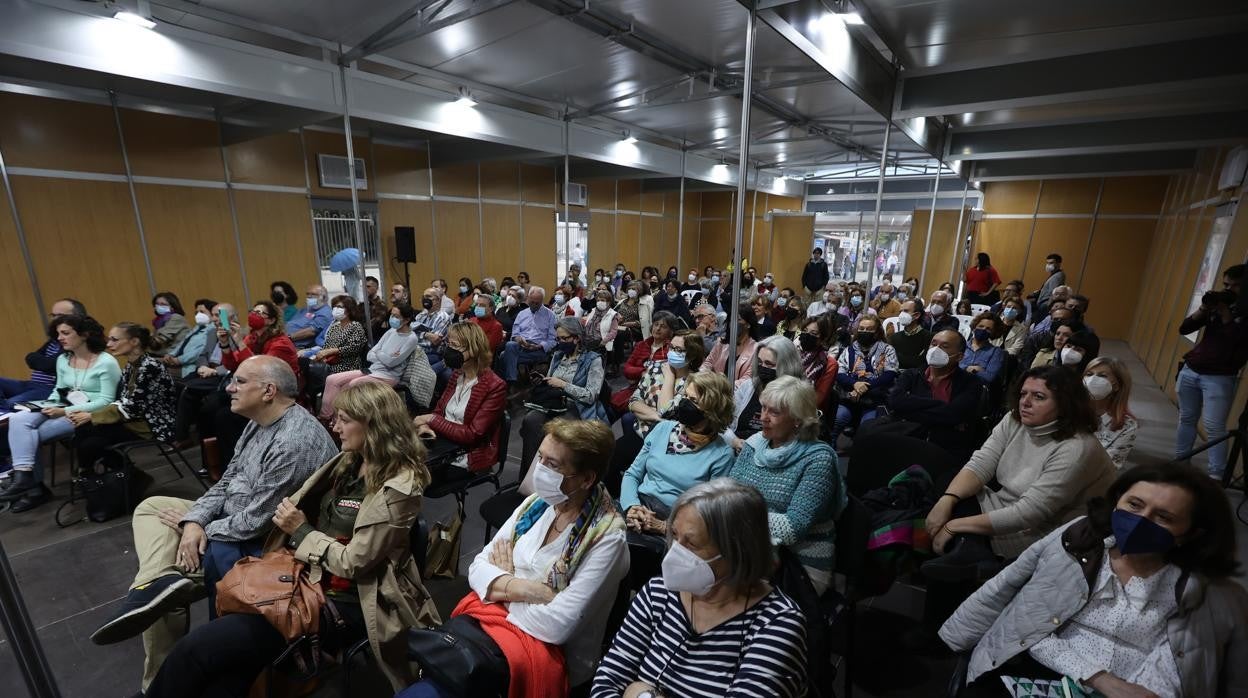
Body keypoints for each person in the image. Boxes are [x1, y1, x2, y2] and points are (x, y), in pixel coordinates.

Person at [145, 381, 437, 697]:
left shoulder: (400, 488)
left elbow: (355, 563)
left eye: (343, 419)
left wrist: (301, 530)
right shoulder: (350, 460)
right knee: (221, 670)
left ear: (375, 424)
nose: (334, 426)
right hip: (304, 576)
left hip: (348, 598)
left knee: (197, 650)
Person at [88, 356, 337, 692]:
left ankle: (158, 674)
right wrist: (194, 520)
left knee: (169, 576)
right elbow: (227, 480)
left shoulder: (292, 442)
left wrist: (202, 526)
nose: (229, 388)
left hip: (261, 543)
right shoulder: (260, 422)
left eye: (239, 381)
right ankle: (155, 583)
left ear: (268, 391)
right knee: (151, 507)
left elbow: (256, 523)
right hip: (229, 518)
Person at [940, 462, 1247, 698]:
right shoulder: (1078, 539)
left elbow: (1176, 671)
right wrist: (1100, 679)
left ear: (1191, 534)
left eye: (1163, 517)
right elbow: (1020, 603)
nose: (1141, 521)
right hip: (1036, 666)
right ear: (1116, 502)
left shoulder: (1204, 593)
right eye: (1134, 505)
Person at [400, 419, 629, 698]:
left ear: (586, 479)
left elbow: (557, 627)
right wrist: (526, 589)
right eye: (540, 457)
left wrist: (499, 587)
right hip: (492, 636)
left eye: (553, 465)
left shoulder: (606, 539)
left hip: (551, 656)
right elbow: (477, 568)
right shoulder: (538, 504)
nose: (540, 469)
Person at [592, 478, 808, 698]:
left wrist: (641, 693)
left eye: (692, 544)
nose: (676, 551)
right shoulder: (658, 593)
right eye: (674, 536)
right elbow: (606, 682)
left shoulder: (777, 623)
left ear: (737, 553)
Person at [922, 366, 1117, 582]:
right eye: (1023, 394)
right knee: (949, 482)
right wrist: (946, 501)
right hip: (1008, 505)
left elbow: (1030, 513)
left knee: (951, 523)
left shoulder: (1078, 448)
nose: (1025, 402)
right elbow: (980, 464)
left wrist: (953, 525)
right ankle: (969, 550)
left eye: (1039, 397)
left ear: (1065, 404)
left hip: (1044, 532)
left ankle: (967, 550)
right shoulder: (1015, 419)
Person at [730, 376, 845, 593]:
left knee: (722, 585)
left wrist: (737, 515)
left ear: (798, 420)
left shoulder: (818, 459)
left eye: (774, 412)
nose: (763, 417)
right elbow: (729, 495)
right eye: (763, 408)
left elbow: (792, 528)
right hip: (751, 545)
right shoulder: (754, 444)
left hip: (799, 562)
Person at [620, 372, 736, 579]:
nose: (684, 403)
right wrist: (631, 507)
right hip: (639, 504)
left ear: (712, 410)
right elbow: (632, 474)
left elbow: (710, 515)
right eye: (685, 396)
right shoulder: (663, 429)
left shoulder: (721, 454)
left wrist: (665, 527)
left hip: (677, 521)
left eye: (693, 401)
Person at [0, 314, 121, 511]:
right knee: (19, 419)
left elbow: (106, 401)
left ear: (84, 335)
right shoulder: (64, 360)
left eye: (65, 333)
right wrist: (46, 405)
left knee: (30, 435)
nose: (59, 338)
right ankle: (24, 476)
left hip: (87, 412)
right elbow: (59, 388)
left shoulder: (105, 361)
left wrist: (63, 410)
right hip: (61, 405)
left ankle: (33, 488)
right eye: (58, 333)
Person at [71, 322, 177, 475]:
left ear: (134, 342)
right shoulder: (132, 365)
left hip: (151, 424)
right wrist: (92, 417)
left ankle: (120, 475)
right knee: (83, 431)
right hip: (134, 419)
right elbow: (124, 400)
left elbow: (133, 407)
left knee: (91, 443)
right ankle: (114, 473)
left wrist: (92, 416)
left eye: (115, 340)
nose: (109, 344)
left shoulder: (149, 367)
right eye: (109, 339)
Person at [1176, 264, 1248, 480]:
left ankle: (1217, 475)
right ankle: (1181, 464)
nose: (1229, 290)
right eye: (1226, 284)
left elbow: (1237, 341)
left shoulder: (1243, 313)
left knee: (1214, 427)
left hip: (1220, 376)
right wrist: (1204, 309)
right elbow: (1184, 329)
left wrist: (1226, 315)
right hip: (1192, 369)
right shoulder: (1218, 306)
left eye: (1236, 286)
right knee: (1186, 418)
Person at [207, 301, 301, 463]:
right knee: (210, 405)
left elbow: (260, 371)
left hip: (276, 395)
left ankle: (236, 463)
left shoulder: (281, 343)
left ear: (271, 320)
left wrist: (239, 340)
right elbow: (233, 365)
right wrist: (224, 343)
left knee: (225, 416)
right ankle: (213, 460)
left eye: (260, 313)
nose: (253, 315)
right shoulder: (253, 338)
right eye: (253, 311)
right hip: (256, 388)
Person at [412, 323, 507, 477]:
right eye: (449, 344)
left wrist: (431, 419)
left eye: (454, 345)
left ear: (474, 349)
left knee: (406, 474)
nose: (449, 350)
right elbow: (439, 411)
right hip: (442, 444)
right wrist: (426, 427)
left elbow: (472, 434)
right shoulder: (457, 375)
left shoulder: (495, 386)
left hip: (466, 454)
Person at [519, 319, 608, 470]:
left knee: (556, 431)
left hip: (577, 407)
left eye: (564, 338)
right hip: (553, 404)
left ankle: (555, 477)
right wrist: (543, 381)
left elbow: (591, 395)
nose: (560, 342)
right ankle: (529, 477)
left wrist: (564, 385)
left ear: (577, 338)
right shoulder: (558, 355)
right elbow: (550, 381)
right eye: (558, 338)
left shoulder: (593, 359)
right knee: (530, 421)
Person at [887, 330, 982, 458]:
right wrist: (942, 406)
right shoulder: (911, 374)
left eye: (944, 346)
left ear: (959, 357)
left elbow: (953, 415)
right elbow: (895, 401)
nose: (936, 349)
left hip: (946, 448)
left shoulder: (970, 382)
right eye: (933, 344)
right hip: (908, 439)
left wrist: (909, 408)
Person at [318, 304, 420, 421]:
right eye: (391, 315)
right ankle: (325, 416)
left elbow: (391, 363)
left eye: (396, 316)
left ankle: (337, 420)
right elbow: (370, 355)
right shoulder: (391, 332)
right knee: (331, 379)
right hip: (373, 370)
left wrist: (380, 353)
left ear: (406, 320)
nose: (392, 318)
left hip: (389, 376)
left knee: (351, 385)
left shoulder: (411, 338)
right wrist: (384, 355)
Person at [0, 298, 86, 410]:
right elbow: (30, 357)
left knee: (11, 405)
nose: (54, 320)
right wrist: (38, 360)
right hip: (32, 384)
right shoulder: (55, 339)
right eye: (53, 315)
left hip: (50, 389)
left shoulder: (77, 342)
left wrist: (39, 361)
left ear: (77, 318)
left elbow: (49, 364)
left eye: (59, 316)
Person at [725, 335, 804, 449]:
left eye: (769, 364)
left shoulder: (798, 396)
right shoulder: (749, 386)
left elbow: (795, 440)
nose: (763, 367)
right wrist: (734, 441)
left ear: (786, 366)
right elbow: (725, 422)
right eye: (760, 362)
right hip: (737, 449)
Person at [832, 315, 900, 439]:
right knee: (837, 420)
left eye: (869, 329)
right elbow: (840, 373)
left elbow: (890, 374)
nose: (864, 332)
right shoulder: (849, 350)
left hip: (875, 399)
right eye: (862, 329)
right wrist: (855, 384)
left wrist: (865, 386)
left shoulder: (887, 349)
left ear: (877, 332)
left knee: (867, 429)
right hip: (850, 397)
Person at [302, 294, 368, 400]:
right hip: (329, 363)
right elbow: (326, 346)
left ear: (349, 309)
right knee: (305, 367)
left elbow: (354, 348)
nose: (336, 309)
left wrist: (331, 351)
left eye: (340, 307)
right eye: (335, 307)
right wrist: (322, 356)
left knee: (317, 376)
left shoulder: (355, 326)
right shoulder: (334, 327)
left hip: (348, 364)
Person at [500, 286, 558, 382]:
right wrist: (518, 339)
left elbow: (553, 340)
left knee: (503, 356)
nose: (534, 305)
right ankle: (513, 381)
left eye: (537, 303)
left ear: (542, 301)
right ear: (528, 298)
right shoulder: (522, 314)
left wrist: (539, 346)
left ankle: (511, 382)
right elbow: (514, 334)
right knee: (510, 344)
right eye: (532, 302)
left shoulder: (550, 315)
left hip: (538, 350)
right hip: (522, 346)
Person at [160, 299, 217, 380]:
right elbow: (183, 342)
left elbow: (200, 352)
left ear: (213, 314)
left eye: (202, 312)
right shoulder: (198, 327)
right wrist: (171, 354)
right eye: (196, 312)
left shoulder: (213, 330)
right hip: (179, 362)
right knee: (151, 364)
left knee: (158, 372)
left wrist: (179, 360)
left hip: (191, 366)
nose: (198, 315)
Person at [702, 302, 757, 379]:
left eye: (738, 319)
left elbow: (746, 379)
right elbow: (708, 363)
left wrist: (721, 386)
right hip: (714, 386)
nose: (733, 323)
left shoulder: (756, 349)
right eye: (731, 319)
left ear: (748, 324)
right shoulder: (721, 343)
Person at [621, 311, 676, 382]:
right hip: (637, 384)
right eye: (656, 324)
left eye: (663, 327)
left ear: (670, 332)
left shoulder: (671, 349)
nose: (658, 328)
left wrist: (645, 374)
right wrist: (642, 372)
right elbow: (627, 368)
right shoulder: (641, 345)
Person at [412, 287, 453, 375]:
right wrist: (426, 334)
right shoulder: (420, 316)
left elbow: (434, 341)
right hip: (417, 352)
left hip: (434, 355)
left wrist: (418, 334)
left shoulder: (443, 317)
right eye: (423, 297)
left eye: (428, 297)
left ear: (437, 300)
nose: (425, 299)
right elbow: (410, 335)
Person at [961, 312, 1006, 384]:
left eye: (988, 329)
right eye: (981, 326)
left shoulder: (996, 352)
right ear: (975, 326)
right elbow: (951, 367)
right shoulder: (961, 345)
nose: (983, 330)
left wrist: (970, 370)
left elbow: (990, 377)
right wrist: (970, 368)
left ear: (993, 332)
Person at [285, 284, 332, 350]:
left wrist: (288, 338)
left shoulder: (326, 313)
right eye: (308, 294)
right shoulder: (306, 309)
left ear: (323, 297)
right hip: (286, 341)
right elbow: (291, 322)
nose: (309, 296)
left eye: (313, 294)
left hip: (298, 347)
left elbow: (311, 332)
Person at [888, 298, 931, 370]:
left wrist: (898, 357)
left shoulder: (929, 337)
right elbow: (890, 361)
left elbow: (922, 363)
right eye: (900, 311)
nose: (901, 314)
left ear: (916, 315)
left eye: (906, 311)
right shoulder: (894, 337)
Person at [148, 291, 190, 356]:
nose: (159, 306)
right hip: (163, 354)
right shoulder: (158, 321)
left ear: (172, 306)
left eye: (163, 304)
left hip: (176, 356)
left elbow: (159, 341)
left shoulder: (176, 318)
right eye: (157, 304)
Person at [582, 287, 620, 354]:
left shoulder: (612, 314)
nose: (600, 302)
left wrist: (604, 341)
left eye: (602, 300)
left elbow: (613, 331)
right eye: (598, 300)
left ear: (608, 302)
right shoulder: (593, 310)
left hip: (601, 342)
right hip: (588, 339)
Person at [796, 315, 829, 383]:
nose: (807, 335)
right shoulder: (795, 348)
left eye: (813, 333)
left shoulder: (820, 360)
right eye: (805, 330)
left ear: (822, 339)